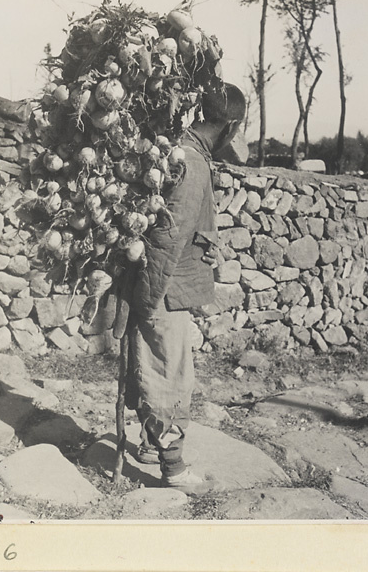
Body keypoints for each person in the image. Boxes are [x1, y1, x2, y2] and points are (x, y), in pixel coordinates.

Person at [124, 83, 246, 495]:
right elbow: (165, 240)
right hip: (165, 288)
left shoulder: (182, 152)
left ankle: (147, 446)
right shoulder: (192, 164)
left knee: (155, 362)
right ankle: (172, 468)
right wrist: (149, 295)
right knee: (170, 372)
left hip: (165, 283)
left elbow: (180, 228)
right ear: (229, 128)